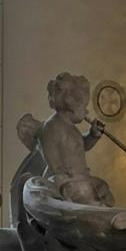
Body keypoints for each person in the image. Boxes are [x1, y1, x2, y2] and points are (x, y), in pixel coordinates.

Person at [37, 73, 112, 206]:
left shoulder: (72, 128)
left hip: (80, 178)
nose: (86, 112)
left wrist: (92, 135)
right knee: (86, 192)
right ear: (71, 105)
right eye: (84, 106)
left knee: (102, 187)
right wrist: (65, 178)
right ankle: (94, 212)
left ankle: (99, 211)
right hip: (64, 180)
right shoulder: (51, 127)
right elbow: (53, 162)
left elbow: (81, 146)